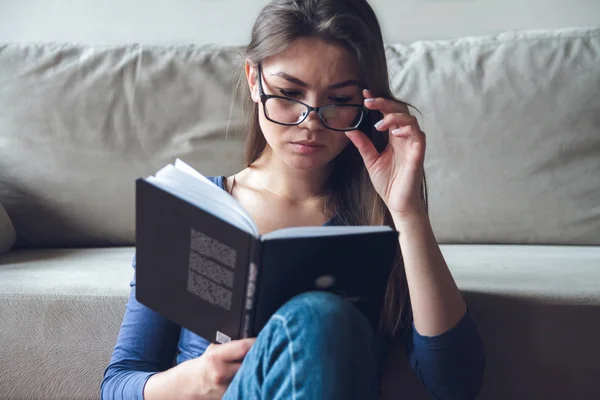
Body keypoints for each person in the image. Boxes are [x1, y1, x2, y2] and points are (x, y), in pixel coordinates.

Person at [101, 0, 485, 398]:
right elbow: (117, 384)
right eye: (288, 93)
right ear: (254, 80)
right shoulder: (190, 213)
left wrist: (407, 212)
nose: (310, 124)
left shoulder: (375, 224)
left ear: (366, 103)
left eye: (338, 101)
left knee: (321, 319)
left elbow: (455, 384)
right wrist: (197, 379)